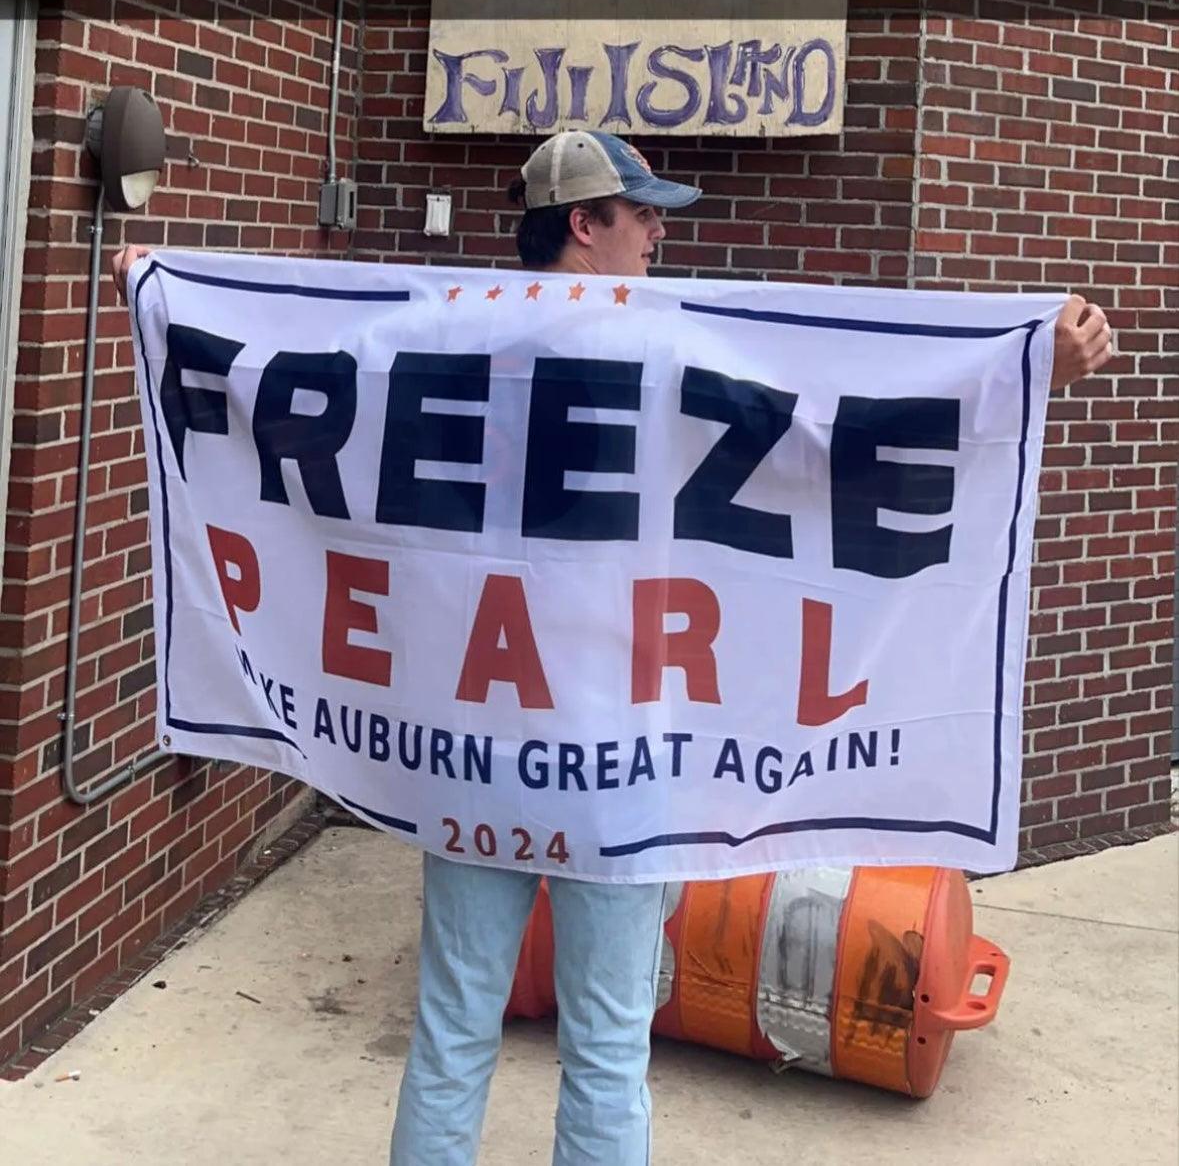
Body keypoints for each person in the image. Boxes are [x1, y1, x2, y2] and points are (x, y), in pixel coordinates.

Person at [110, 130, 1114, 1166]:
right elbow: (837, 426)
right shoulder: (664, 344)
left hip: (474, 753)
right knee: (606, 1045)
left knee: (454, 1029)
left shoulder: (441, 333)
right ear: (584, 224)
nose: (659, 233)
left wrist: (160, 297)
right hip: (619, 762)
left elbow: (280, 371)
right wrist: (1034, 365)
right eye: (640, 214)